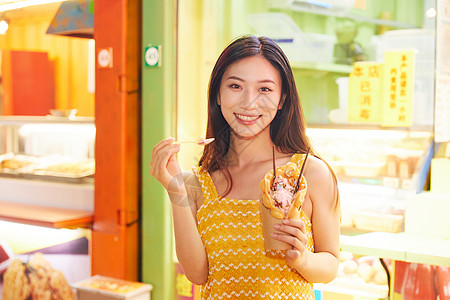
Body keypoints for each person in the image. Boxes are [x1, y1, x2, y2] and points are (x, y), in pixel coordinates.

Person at [150, 34, 340, 299]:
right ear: (218, 94)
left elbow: (330, 263)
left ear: (282, 99)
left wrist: (302, 259)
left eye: (265, 89)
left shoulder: (309, 173)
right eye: (236, 86)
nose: (249, 102)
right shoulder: (198, 181)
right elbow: (197, 274)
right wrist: (176, 192)